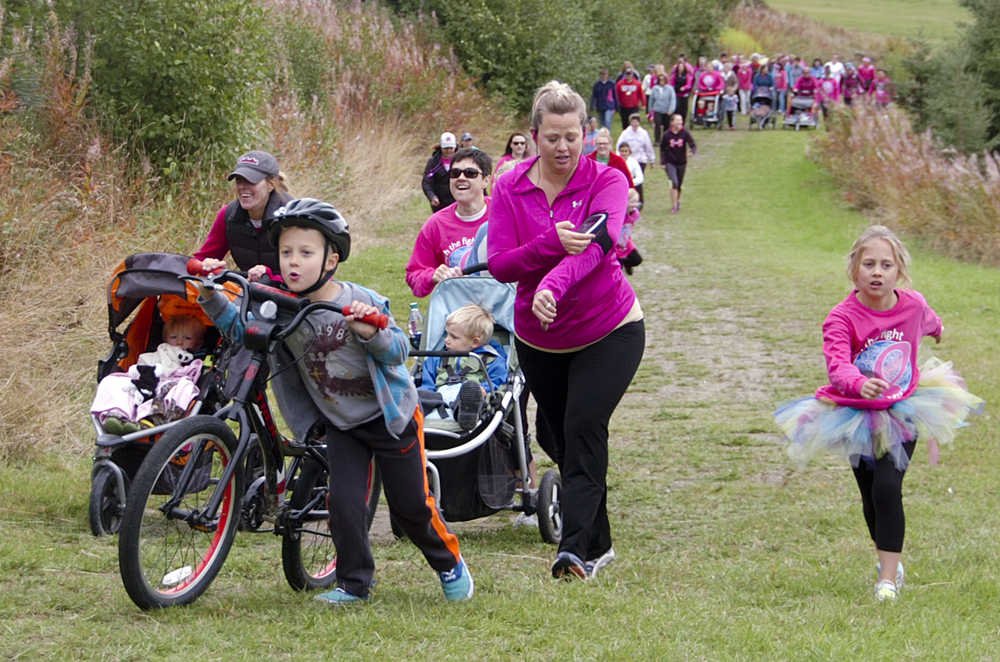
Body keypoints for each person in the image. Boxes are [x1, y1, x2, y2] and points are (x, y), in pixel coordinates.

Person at [198, 198, 474, 604]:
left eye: (305, 253)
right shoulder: (280, 306)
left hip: (389, 416)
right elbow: (243, 331)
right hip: (342, 423)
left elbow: (397, 350)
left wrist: (369, 331)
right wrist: (210, 295)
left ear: (331, 260)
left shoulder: (358, 299)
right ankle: (354, 583)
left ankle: (449, 562)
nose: (293, 262)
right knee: (343, 505)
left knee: (411, 506)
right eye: (286, 252)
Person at [487, 80, 645, 581]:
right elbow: (500, 265)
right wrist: (548, 246)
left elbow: (598, 245)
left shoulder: (608, 182)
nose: (562, 147)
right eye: (552, 137)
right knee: (556, 437)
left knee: (582, 427)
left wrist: (552, 285)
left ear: (585, 133)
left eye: (571, 136)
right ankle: (600, 538)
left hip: (610, 328)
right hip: (540, 337)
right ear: (534, 136)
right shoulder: (512, 186)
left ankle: (575, 553)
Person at [774, 225, 982, 602]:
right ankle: (888, 555)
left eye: (886, 264)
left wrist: (939, 329)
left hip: (904, 409)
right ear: (854, 269)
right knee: (870, 495)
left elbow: (929, 320)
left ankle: (887, 579)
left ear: (899, 271)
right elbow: (837, 364)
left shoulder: (913, 304)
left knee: (888, 487)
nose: (877, 272)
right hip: (855, 414)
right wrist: (858, 383)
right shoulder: (841, 317)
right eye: (868, 263)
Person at [91, 312, 206, 434]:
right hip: (148, 379)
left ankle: (151, 419)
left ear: (198, 343)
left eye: (187, 338)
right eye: (174, 337)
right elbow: (140, 368)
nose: (179, 342)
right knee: (113, 381)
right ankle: (117, 414)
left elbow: (192, 375)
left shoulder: (194, 361)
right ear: (165, 339)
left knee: (184, 388)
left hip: (169, 384)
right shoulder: (156, 354)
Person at [406, 148, 493, 298]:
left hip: (502, 304)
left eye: (470, 173)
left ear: (485, 180)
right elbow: (414, 275)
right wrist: (433, 275)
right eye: (455, 173)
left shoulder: (504, 214)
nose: (461, 178)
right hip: (457, 310)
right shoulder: (436, 224)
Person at [193, 150, 293, 280]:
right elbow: (197, 261)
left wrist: (269, 276)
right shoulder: (227, 215)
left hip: (293, 295)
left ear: (271, 184)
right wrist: (206, 266)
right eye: (239, 180)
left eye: (251, 181)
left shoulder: (293, 217)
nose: (243, 187)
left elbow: (306, 273)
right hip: (248, 293)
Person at [418, 304, 508, 430]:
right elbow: (428, 382)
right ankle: (412, 412)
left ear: (475, 342)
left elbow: (497, 382)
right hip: (438, 397)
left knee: (471, 395)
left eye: (453, 337)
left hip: (467, 395)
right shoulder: (437, 357)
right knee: (419, 395)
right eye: (447, 334)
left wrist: (484, 390)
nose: (446, 340)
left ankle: (465, 413)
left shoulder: (491, 359)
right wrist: (425, 394)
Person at [660, 113, 696, 214]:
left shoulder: (685, 133)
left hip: (682, 162)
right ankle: (674, 205)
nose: (680, 122)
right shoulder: (667, 135)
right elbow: (662, 149)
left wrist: (692, 151)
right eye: (678, 120)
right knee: (674, 183)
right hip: (670, 162)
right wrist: (663, 162)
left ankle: (677, 200)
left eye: (681, 120)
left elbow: (693, 145)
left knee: (679, 184)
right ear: (672, 122)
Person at [421, 132, 457, 213]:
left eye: (451, 148)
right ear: (441, 147)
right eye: (445, 148)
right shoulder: (433, 162)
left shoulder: (461, 160)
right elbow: (426, 182)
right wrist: (432, 196)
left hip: (457, 201)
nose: (448, 151)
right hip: (439, 203)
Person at [616, 188, 643, 276]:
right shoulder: (619, 213)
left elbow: (629, 227)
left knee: (637, 260)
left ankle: (626, 263)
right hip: (615, 244)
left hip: (625, 241)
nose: (635, 205)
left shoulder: (635, 213)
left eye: (637, 202)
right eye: (632, 202)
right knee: (617, 268)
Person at [647, 72, 676, 144]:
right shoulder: (655, 88)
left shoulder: (670, 88)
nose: (662, 81)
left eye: (663, 80)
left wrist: (671, 110)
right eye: (660, 80)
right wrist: (650, 111)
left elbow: (672, 100)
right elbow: (651, 100)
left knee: (667, 126)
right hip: (657, 110)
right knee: (657, 125)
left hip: (667, 111)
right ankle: (657, 140)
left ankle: (667, 140)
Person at [669, 55, 695, 122]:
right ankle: (674, 121)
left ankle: (682, 122)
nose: (680, 68)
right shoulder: (675, 75)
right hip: (676, 94)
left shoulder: (687, 75)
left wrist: (684, 88)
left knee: (683, 110)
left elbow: (689, 84)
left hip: (684, 95)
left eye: (682, 67)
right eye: (679, 67)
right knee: (676, 108)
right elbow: (671, 83)